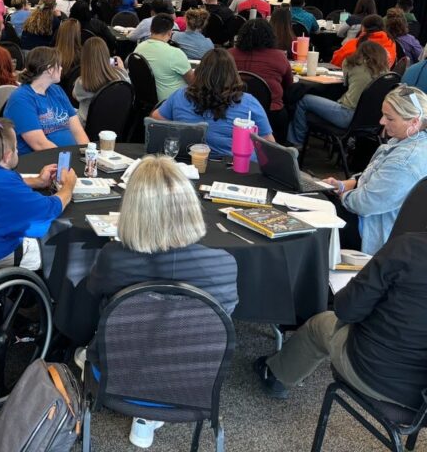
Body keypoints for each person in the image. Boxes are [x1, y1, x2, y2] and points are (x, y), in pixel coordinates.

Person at [84, 156, 238, 449]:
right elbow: (222, 318)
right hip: (192, 382)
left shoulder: (113, 258)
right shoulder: (224, 265)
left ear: (132, 210)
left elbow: (92, 292)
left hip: (116, 376)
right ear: (191, 207)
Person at [256, 228, 427, 409]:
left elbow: (346, 310)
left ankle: (276, 376)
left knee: (320, 324)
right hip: (420, 403)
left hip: (375, 374)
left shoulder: (408, 248)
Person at [319, 85, 427, 255]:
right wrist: (344, 184)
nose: (382, 122)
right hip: (370, 216)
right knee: (317, 199)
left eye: (390, 118)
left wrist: (341, 194)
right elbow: (374, 175)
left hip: (370, 230)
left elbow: (364, 204)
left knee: (315, 218)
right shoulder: (409, 139)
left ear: (414, 121)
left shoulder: (405, 162)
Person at [0, 119, 74, 271]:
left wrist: (37, 181)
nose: (17, 151)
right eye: (16, 148)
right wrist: (68, 186)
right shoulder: (3, 183)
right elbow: (47, 210)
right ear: (7, 156)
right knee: (59, 246)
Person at [152, 48, 273, 156]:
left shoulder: (180, 95)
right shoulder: (249, 102)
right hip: (236, 168)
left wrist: (180, 130)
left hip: (190, 161)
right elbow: (269, 144)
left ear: (199, 71)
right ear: (233, 73)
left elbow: (155, 118)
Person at [289, 40, 391, 148]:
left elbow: (346, 83)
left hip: (347, 115)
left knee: (303, 99)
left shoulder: (351, 63)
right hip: (373, 120)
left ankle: (297, 143)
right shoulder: (386, 73)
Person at [4, 46, 89, 154]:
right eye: (59, 65)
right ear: (49, 69)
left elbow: (77, 130)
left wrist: (89, 155)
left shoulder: (57, 90)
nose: (62, 68)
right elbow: (39, 144)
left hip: (67, 157)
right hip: (42, 162)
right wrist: (67, 161)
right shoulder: (21, 99)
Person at [228, 19, 293, 139]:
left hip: (233, 109)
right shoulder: (279, 56)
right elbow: (289, 85)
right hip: (271, 113)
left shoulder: (229, 55)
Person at [132, 14, 195, 102]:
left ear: (151, 29)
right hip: (170, 102)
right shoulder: (175, 53)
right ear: (170, 33)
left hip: (144, 98)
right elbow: (193, 82)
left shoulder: (139, 48)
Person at [73, 37, 128, 125]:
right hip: (114, 125)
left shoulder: (82, 82)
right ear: (106, 55)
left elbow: (75, 96)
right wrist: (122, 69)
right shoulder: (121, 77)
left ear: (85, 58)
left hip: (87, 126)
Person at [330, 14, 396, 68]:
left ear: (363, 28)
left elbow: (335, 63)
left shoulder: (354, 44)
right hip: (380, 81)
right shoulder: (391, 43)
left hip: (354, 80)